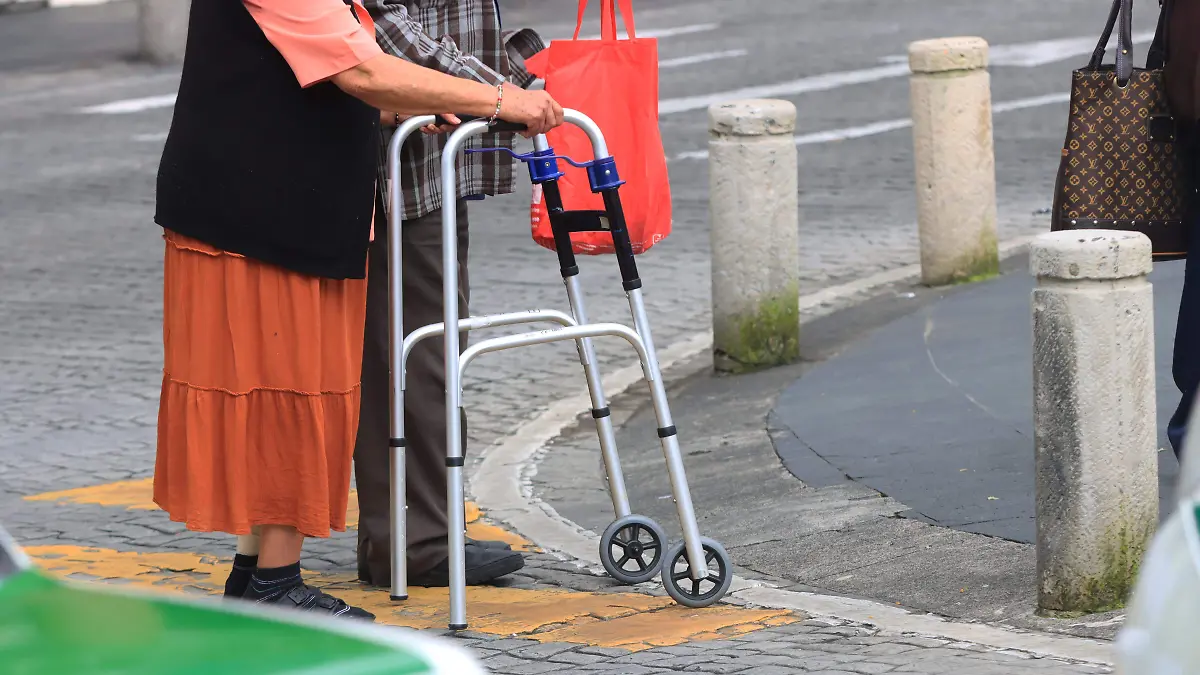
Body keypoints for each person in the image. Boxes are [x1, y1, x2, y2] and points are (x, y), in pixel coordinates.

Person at [151, 0, 562, 620]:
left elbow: (313, 67)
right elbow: (362, 71)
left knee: (272, 391)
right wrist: (504, 101)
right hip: (264, 210)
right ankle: (275, 580)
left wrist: (405, 101)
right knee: (294, 389)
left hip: (261, 203)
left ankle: (254, 569)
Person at [352, 0, 544, 589]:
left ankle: (414, 537)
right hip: (399, 163)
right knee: (415, 356)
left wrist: (514, 75)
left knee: (425, 350)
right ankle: (417, 544)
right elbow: (384, 28)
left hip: (432, 150)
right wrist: (497, 97)